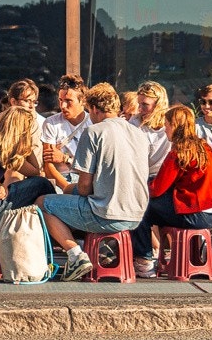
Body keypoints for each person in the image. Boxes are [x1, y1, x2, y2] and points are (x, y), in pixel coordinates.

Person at [37, 84, 150, 282]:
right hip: (137, 215)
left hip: (106, 213)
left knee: (43, 203)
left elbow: (84, 188)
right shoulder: (139, 134)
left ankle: (75, 255)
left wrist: (66, 188)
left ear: (95, 109)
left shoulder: (94, 132)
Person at [131, 104, 212, 277]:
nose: (165, 129)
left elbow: (157, 189)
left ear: (174, 126)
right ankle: (169, 254)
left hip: (194, 214)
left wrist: (137, 188)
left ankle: (144, 261)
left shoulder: (179, 152)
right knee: (159, 206)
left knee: (139, 208)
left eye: (166, 125)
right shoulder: (203, 147)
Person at [37, 74, 91, 191]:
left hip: (86, 179)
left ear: (82, 101)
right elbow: (49, 166)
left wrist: (66, 158)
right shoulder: (51, 123)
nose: (63, 106)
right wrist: (67, 187)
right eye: (60, 100)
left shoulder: (92, 123)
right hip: (60, 179)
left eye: (68, 101)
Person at [137, 81, 173, 176]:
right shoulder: (135, 123)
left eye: (145, 104)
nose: (139, 109)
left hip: (167, 177)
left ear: (159, 105)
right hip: (142, 177)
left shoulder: (173, 123)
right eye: (139, 104)